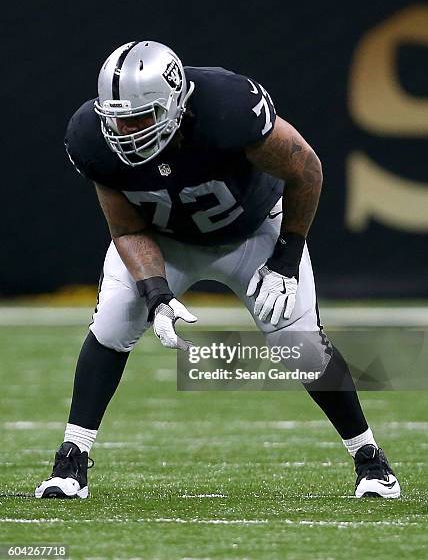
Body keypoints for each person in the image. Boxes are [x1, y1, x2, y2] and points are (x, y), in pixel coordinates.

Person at [35, 41, 400, 499]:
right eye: (116, 118)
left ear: (174, 102)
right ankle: (71, 460)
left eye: (138, 117)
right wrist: (155, 293)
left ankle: (371, 462)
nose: (124, 131)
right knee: (112, 322)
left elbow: (306, 170)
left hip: (254, 232)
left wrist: (286, 259)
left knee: (298, 342)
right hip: (164, 240)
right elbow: (126, 229)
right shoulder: (90, 137)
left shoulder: (227, 108)